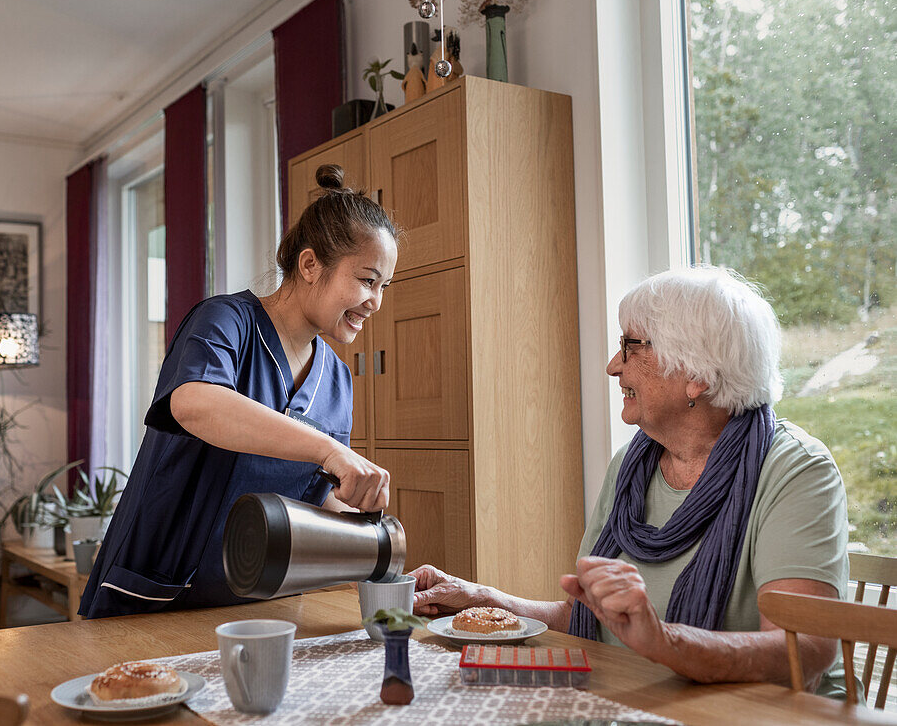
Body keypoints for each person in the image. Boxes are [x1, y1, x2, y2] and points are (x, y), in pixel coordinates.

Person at [411, 266, 850, 696]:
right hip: (641, 694)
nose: (612, 366)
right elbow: (590, 621)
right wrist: (482, 598)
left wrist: (663, 641)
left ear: (696, 375)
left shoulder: (796, 469)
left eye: (630, 346)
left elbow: (806, 652)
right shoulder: (630, 466)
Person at [79, 164, 400, 617]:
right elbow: (195, 402)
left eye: (384, 286)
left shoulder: (338, 380)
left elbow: (312, 496)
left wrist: (373, 539)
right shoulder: (225, 321)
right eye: (367, 280)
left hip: (261, 605)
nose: (377, 301)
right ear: (310, 265)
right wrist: (330, 450)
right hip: (159, 596)